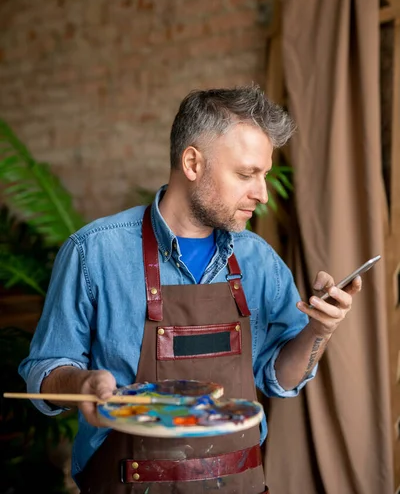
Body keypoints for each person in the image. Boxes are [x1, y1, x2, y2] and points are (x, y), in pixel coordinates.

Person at [19, 84, 361, 494]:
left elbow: (279, 380)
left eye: (265, 175)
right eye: (246, 174)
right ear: (193, 162)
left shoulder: (259, 261)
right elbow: (44, 371)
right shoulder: (94, 252)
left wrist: (318, 330)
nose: (263, 193)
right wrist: (80, 384)